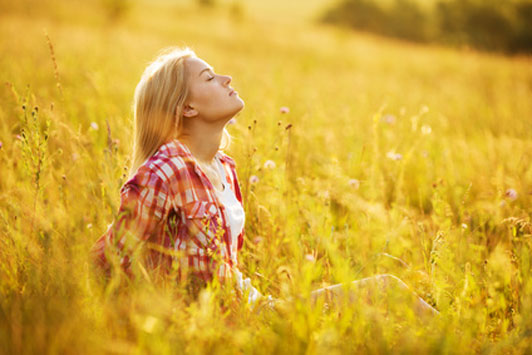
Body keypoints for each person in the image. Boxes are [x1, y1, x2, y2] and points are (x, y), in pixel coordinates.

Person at [89, 46, 439, 317]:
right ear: (187, 108)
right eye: (209, 78)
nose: (226, 78)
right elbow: (109, 259)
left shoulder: (223, 167)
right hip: (224, 324)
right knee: (386, 290)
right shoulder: (166, 169)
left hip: (252, 308)